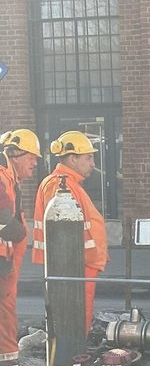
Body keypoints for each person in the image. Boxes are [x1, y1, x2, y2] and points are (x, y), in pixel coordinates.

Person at [32, 131, 108, 335]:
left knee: (79, 315)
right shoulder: (59, 184)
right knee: (74, 316)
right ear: (73, 158)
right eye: (88, 157)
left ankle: (74, 356)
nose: (93, 163)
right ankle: (71, 359)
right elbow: (60, 232)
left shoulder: (69, 183)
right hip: (73, 266)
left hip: (80, 264)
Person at [0, 130, 43, 366]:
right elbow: (3, 221)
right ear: (15, 154)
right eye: (31, 156)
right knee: (4, 317)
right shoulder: (2, 179)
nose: (35, 162)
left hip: (5, 261)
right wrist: (18, 232)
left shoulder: (9, 180)